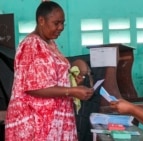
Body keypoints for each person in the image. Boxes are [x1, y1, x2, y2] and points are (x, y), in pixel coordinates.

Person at [5, 1, 94, 140]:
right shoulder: (31, 45)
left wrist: (71, 80)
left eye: (63, 23)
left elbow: (52, 76)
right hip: (36, 123)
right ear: (41, 20)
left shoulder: (50, 43)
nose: (61, 27)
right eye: (56, 23)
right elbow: (33, 87)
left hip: (52, 121)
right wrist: (71, 91)